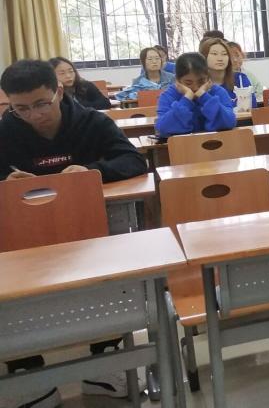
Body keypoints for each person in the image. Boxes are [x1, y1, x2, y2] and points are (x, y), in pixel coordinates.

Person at [0, 60, 148, 406]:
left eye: (41, 104)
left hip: (87, 230)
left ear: (59, 92)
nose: (34, 115)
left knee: (109, 269)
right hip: (24, 238)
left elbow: (134, 161)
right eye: (21, 108)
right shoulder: (5, 130)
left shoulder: (91, 122)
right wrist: (5, 182)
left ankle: (105, 358)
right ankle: (24, 369)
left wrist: (90, 171)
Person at [155, 53, 237, 137]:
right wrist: (186, 100)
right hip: (182, 145)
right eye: (188, 83)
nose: (195, 87)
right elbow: (163, 128)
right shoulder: (168, 96)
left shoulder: (218, 92)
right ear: (177, 80)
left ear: (208, 77)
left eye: (201, 81)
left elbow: (230, 122)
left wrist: (204, 97)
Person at [201, 37, 256, 109]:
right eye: (214, 54)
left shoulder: (240, 79)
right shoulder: (199, 84)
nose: (220, 58)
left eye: (224, 54)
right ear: (204, 57)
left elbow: (253, 106)